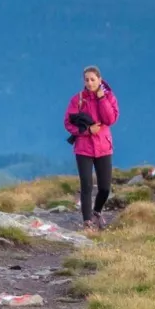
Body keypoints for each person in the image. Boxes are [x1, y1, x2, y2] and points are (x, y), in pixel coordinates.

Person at [64, 65, 120, 231]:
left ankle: (97, 212)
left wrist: (102, 99)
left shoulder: (109, 97)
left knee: (105, 187)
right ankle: (87, 222)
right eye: (86, 80)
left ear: (100, 80)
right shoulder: (77, 100)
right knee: (86, 186)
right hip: (84, 148)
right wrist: (87, 131)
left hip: (104, 147)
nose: (89, 82)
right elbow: (68, 122)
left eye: (93, 79)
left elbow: (110, 120)